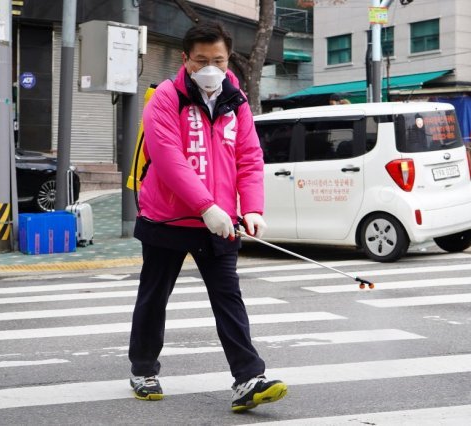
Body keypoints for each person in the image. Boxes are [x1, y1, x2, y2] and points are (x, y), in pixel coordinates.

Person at [128, 20, 287, 412]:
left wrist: (251, 207)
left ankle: (248, 377)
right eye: (201, 60)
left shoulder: (236, 100)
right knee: (154, 296)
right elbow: (169, 161)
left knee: (228, 297)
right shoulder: (165, 98)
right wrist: (206, 206)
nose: (210, 67)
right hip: (167, 217)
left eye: (218, 59)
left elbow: (249, 157)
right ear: (186, 59)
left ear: (228, 57)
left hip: (219, 220)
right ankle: (142, 369)